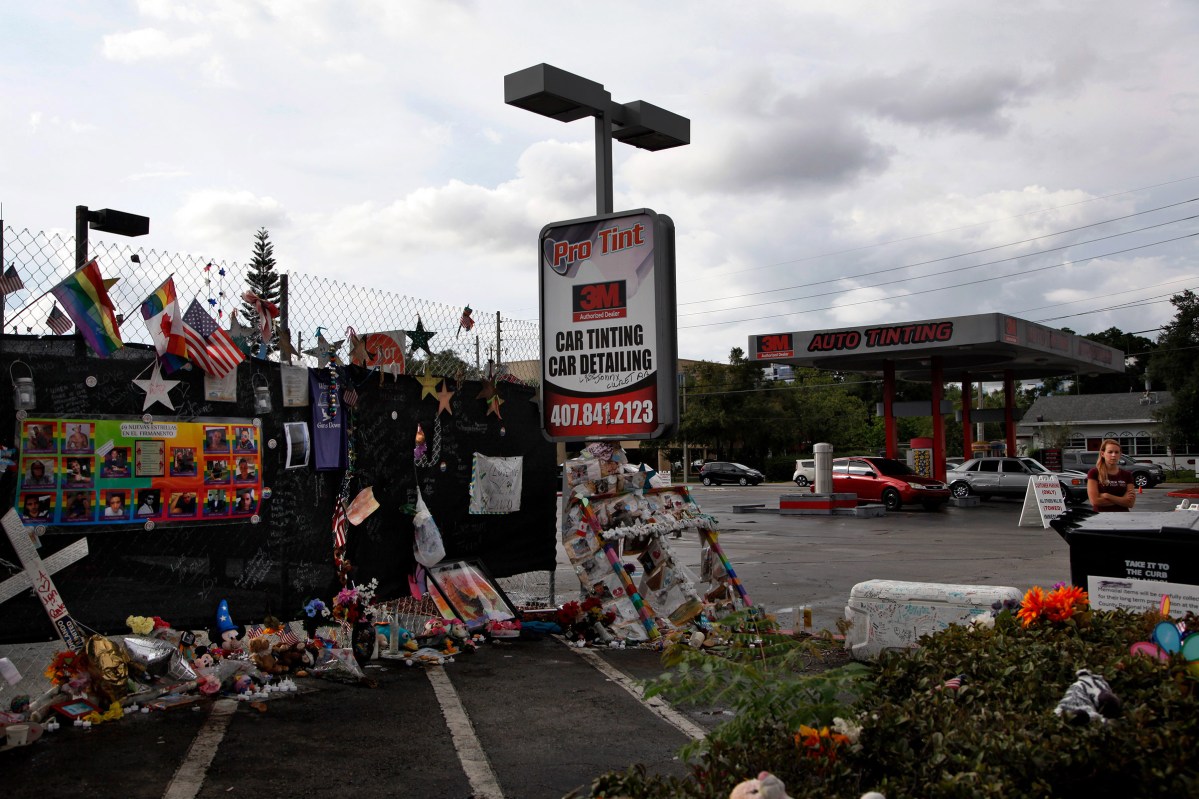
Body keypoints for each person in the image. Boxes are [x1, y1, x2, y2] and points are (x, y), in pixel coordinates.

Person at [1087, 438, 1136, 513]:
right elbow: (1095, 501)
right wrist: (1122, 499)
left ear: (1120, 454)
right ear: (1102, 454)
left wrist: (1107, 496)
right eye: (1110, 452)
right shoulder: (1094, 472)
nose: (1113, 455)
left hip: (1124, 518)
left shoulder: (1127, 475)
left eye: (1116, 452)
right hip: (1101, 518)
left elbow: (1130, 503)